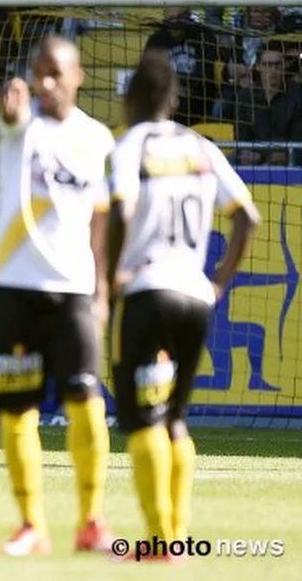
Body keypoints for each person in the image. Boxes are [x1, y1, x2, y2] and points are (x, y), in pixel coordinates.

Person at [108, 53, 261, 551]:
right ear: (174, 99)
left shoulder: (129, 145)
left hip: (149, 291)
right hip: (196, 296)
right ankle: (176, 537)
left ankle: (157, 541)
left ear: (131, 99)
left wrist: (111, 275)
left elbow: (123, 209)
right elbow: (248, 218)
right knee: (175, 417)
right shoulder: (200, 147)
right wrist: (219, 280)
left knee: (142, 419)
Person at [0, 37, 115, 555]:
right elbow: (10, 116)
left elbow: (102, 218)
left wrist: (103, 289)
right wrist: (9, 106)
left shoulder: (97, 138)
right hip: (16, 289)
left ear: (77, 76)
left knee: (86, 403)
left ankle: (91, 521)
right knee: (18, 410)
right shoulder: (22, 128)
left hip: (74, 293)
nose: (43, 83)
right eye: (37, 73)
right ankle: (31, 524)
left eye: (53, 74)